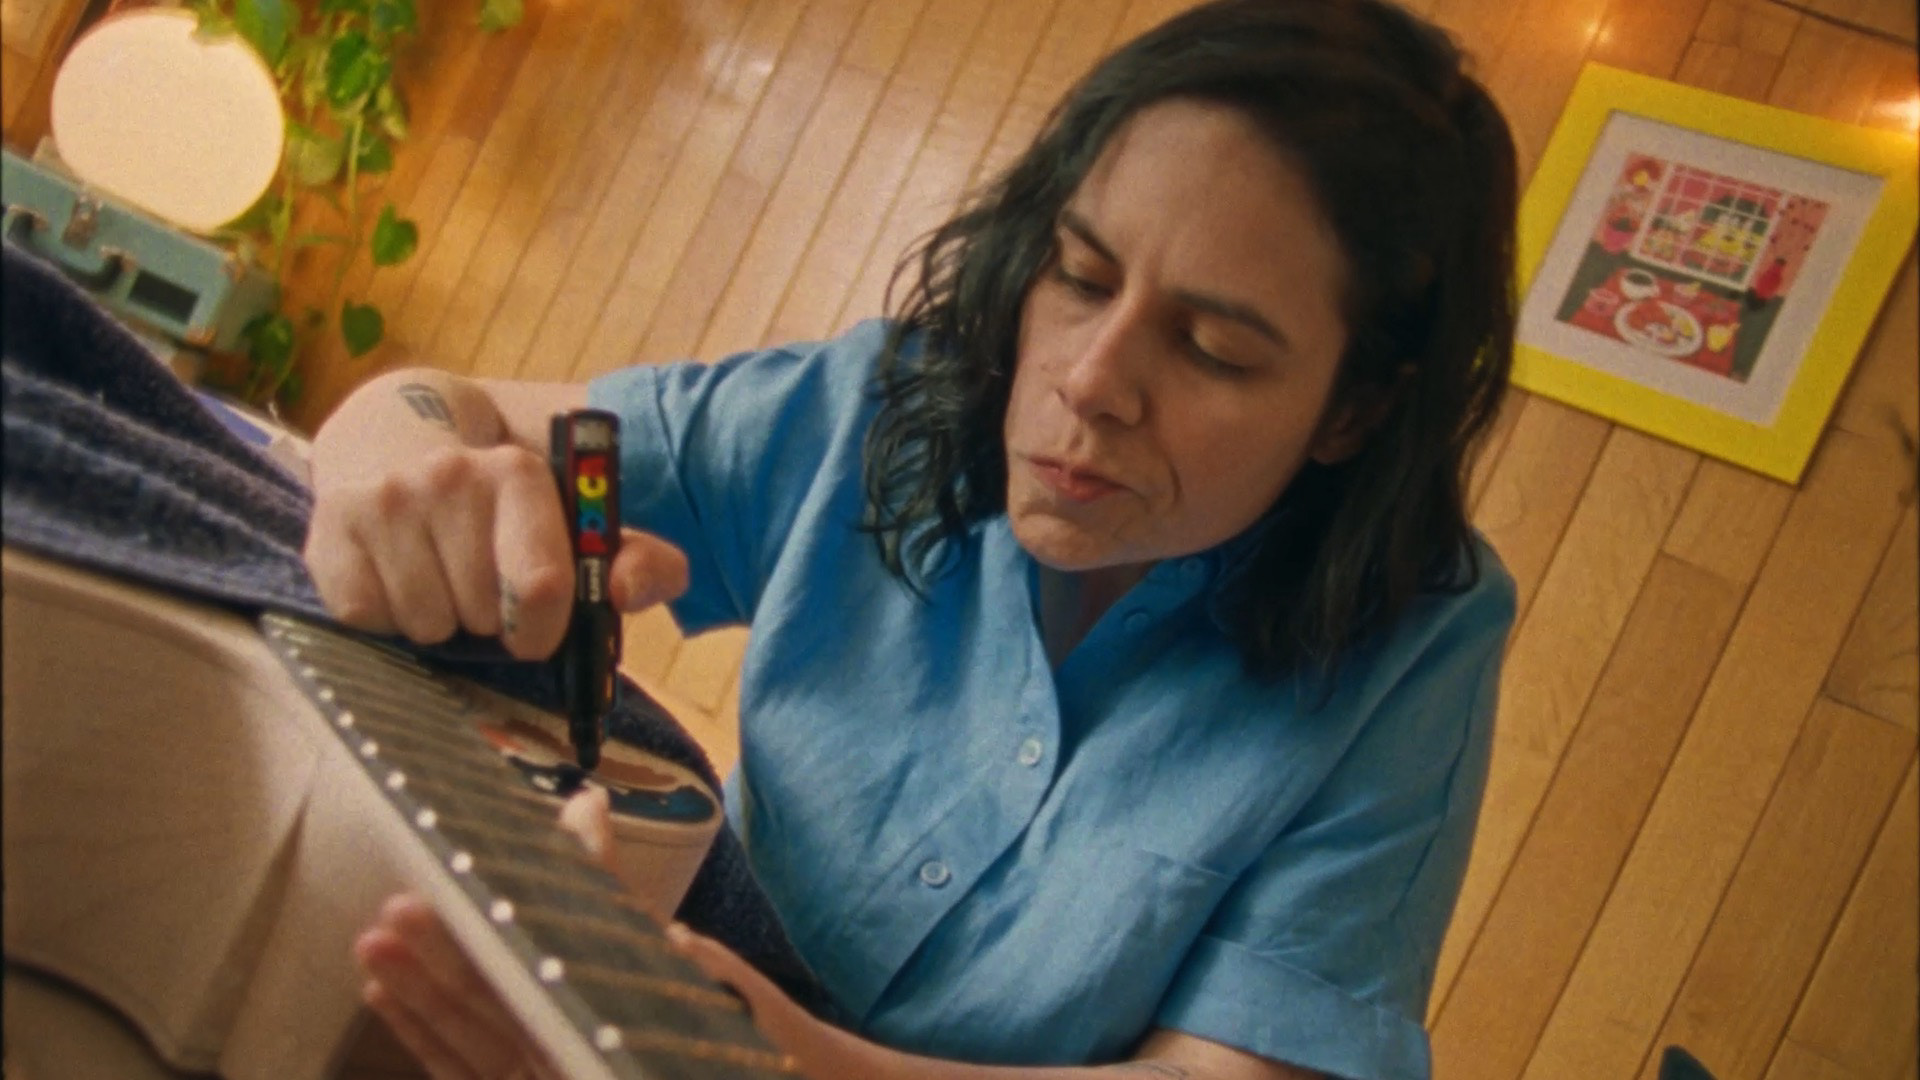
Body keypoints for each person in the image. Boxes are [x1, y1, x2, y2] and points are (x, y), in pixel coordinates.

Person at [304, 0, 1522, 1076]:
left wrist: (771, 1056)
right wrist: (409, 476)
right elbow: (467, 418)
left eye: (1213, 350)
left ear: (1356, 411)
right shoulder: (888, 406)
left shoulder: (1416, 639)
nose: (1089, 380)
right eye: (1081, 276)